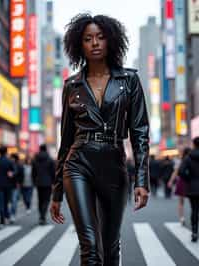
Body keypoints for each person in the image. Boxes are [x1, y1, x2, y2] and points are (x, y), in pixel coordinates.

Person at [50, 14, 150, 265]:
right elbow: (65, 140)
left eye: (100, 37)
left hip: (114, 163)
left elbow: (140, 132)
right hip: (77, 163)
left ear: (111, 41)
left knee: (110, 244)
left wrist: (141, 180)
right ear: (79, 45)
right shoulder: (71, 85)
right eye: (87, 38)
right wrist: (56, 192)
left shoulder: (129, 81)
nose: (95, 42)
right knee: (90, 246)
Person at [178, 137, 199, 242]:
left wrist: (189, 179)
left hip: (193, 187)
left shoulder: (188, 157)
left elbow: (181, 171)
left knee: (194, 210)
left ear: (194, 144)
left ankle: (194, 232)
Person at [32, 144, 55, 225]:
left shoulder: (35, 159)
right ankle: (43, 216)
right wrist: (53, 182)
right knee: (46, 200)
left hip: (38, 182)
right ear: (46, 149)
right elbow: (53, 172)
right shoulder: (50, 160)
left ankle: (41, 216)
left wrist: (34, 181)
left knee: (40, 200)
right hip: (48, 183)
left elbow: (33, 172)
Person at [167, 147, 191, 226]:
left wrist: (170, 181)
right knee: (194, 202)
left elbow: (176, 172)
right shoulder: (193, 160)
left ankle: (182, 218)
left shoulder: (181, 161)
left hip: (182, 181)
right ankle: (194, 216)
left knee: (181, 202)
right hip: (191, 182)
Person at [0, 146, 15, 227]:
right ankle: (7, 216)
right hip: (8, 185)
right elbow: (12, 173)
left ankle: (2, 220)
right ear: (6, 152)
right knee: (6, 202)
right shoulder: (9, 161)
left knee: (1, 202)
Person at [9, 153, 24, 223]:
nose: (11, 159)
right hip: (8, 185)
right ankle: (10, 214)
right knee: (10, 201)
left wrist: (19, 183)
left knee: (14, 200)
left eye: (12, 158)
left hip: (15, 185)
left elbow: (21, 175)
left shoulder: (19, 165)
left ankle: (12, 215)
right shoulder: (9, 164)